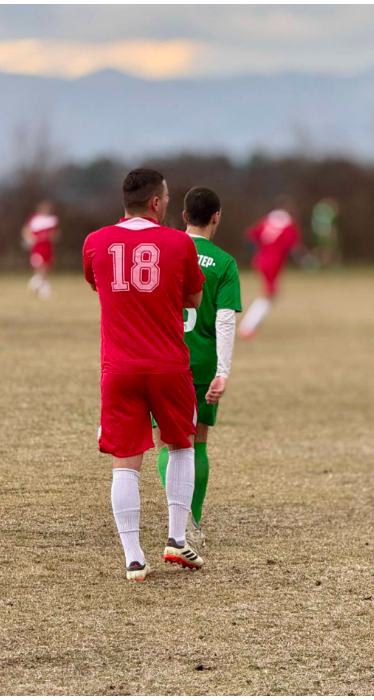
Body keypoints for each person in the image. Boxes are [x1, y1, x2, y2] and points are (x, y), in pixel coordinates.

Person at [82, 168, 204, 581]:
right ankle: (176, 539)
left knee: (125, 463)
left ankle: (134, 557)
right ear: (155, 202)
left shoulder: (95, 241)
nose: (167, 203)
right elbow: (194, 297)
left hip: (119, 368)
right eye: (166, 198)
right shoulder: (179, 242)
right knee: (181, 446)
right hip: (169, 365)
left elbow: (99, 284)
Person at [152, 187, 242, 548]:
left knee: (168, 443)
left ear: (184, 216)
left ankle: (181, 518)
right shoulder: (224, 263)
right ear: (216, 217)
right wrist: (223, 370)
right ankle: (194, 521)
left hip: (164, 358)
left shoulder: (163, 250)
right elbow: (225, 321)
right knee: (197, 441)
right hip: (202, 361)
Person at [238, 200, 302, 339]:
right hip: (273, 263)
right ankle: (247, 327)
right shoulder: (289, 225)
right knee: (268, 295)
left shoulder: (267, 220)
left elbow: (251, 235)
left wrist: (258, 251)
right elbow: (292, 247)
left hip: (261, 260)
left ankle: (250, 326)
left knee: (272, 294)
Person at [23, 200, 61, 299]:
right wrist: (30, 239)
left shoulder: (52, 219)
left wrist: (53, 237)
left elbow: (56, 233)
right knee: (40, 267)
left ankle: (36, 287)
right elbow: (26, 230)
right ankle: (42, 290)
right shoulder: (34, 219)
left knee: (46, 268)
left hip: (47, 247)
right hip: (37, 247)